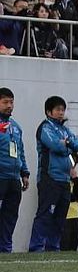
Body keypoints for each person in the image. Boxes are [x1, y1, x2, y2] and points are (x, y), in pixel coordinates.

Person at [29, 94, 78, 253]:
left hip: (65, 179)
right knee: (45, 214)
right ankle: (36, 248)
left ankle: (53, 248)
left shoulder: (64, 129)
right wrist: (67, 144)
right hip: (49, 178)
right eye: (58, 109)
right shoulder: (45, 128)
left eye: (63, 109)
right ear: (48, 112)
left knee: (60, 217)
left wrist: (68, 143)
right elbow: (55, 145)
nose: (61, 112)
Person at [0, 87, 30, 253]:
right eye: (5, 102)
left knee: (10, 216)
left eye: (11, 102)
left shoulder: (16, 127)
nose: (9, 105)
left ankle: (5, 249)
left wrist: (24, 173)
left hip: (13, 179)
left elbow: (20, 151)